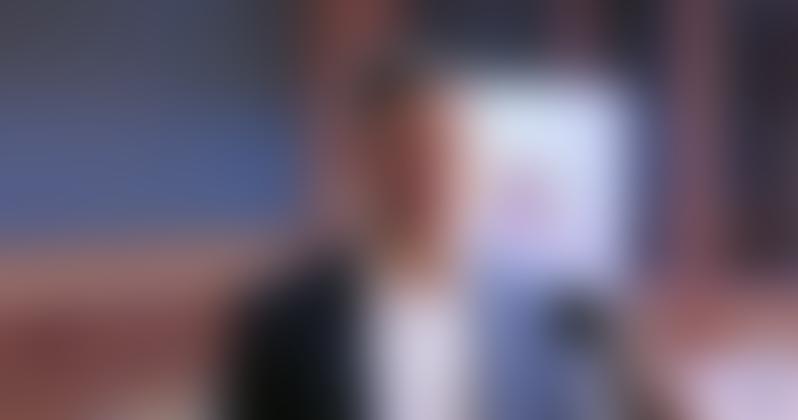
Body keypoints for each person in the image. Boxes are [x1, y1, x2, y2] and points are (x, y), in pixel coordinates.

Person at [225, 52, 661, 420]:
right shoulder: (285, 328)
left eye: (441, 147)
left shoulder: (548, 314)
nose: (425, 174)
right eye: (401, 152)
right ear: (358, 164)